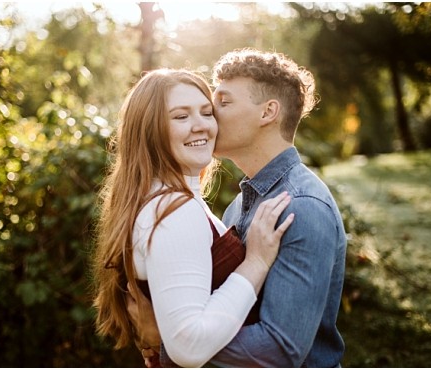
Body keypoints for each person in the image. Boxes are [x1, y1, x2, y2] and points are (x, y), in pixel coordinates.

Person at [130, 49, 347, 367]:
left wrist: (168, 338)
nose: (210, 116)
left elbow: (280, 350)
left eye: (223, 102)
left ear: (267, 113)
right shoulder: (238, 207)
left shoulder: (301, 207)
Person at [91, 68, 296, 368]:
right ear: (150, 130)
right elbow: (188, 346)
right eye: (180, 116)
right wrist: (256, 263)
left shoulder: (169, 200)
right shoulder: (175, 212)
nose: (201, 126)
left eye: (206, 112)